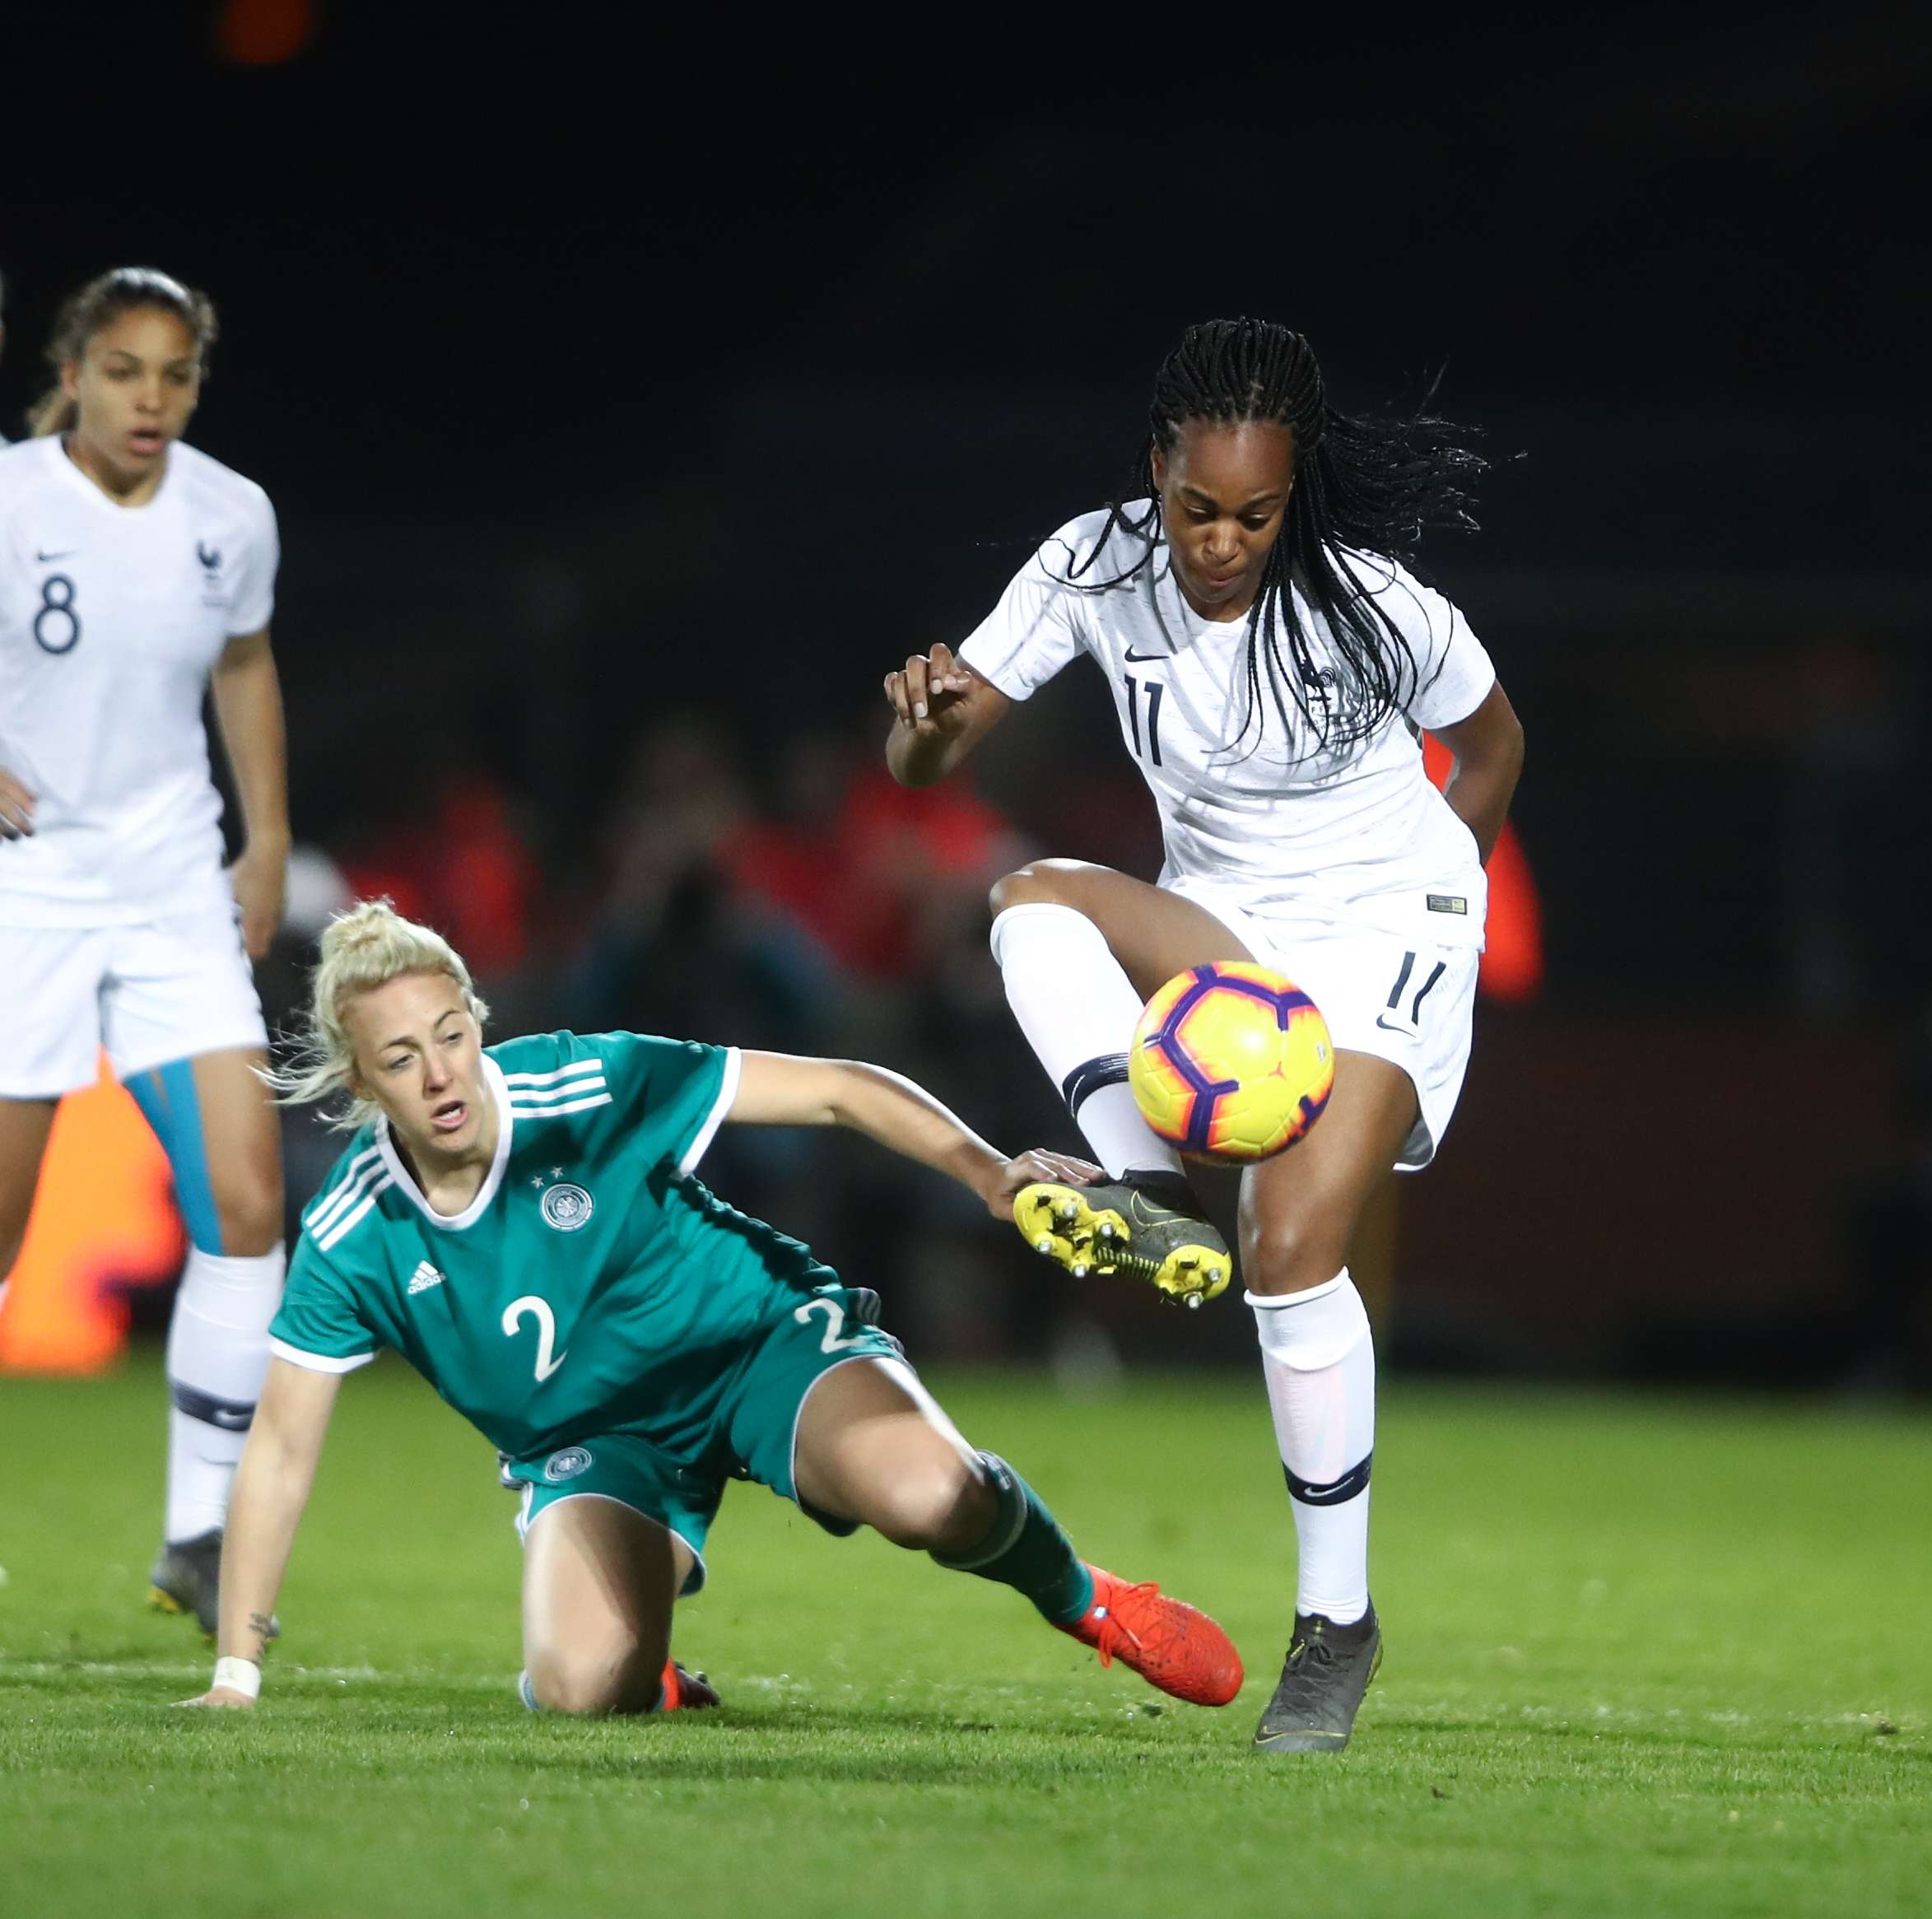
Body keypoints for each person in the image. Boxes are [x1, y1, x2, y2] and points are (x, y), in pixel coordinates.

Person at [881, 317, 1525, 1751]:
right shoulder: (1090, 566)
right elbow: (932, 750)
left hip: (1387, 919)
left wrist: (1443, 905)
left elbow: (1492, 748)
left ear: (1295, 496)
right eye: (1197, 509)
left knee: (1289, 1254)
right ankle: (1142, 1187)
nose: (1222, 542)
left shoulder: (1373, 603)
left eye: (1256, 514)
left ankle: (1335, 1629)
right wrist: (921, 725)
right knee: (1028, 901)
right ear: (1151, 471)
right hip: (1228, 913)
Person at [175, 901, 1242, 1716]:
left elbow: (840, 1087)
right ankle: (652, 1660)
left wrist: (987, 1174)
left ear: (477, 1022)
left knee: (932, 1501)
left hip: (749, 1347)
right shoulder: (354, 1232)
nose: (440, 1074)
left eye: (451, 1035)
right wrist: (236, 1670)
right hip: (595, 1442)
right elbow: (278, 1449)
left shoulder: (581, 1085)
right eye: (401, 1059)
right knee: (578, 1688)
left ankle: (1080, 1595)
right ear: (361, 1084)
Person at [0, 268, 293, 1631]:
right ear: (72, 374)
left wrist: (266, 841)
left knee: (246, 1205)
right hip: (29, 885)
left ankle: (199, 1532)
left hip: (172, 877)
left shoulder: (230, 515)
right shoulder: (10, 500)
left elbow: (243, 664)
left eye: (175, 375)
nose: (151, 400)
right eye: (124, 371)